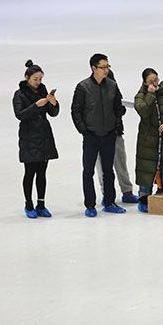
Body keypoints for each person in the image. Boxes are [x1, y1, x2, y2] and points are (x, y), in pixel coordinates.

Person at [71, 53, 126, 217]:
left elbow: (118, 108)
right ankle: (90, 205)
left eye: (108, 66)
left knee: (108, 170)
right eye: (103, 67)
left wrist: (115, 125)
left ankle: (109, 202)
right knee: (88, 171)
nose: (106, 70)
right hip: (91, 136)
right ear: (93, 68)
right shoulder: (83, 87)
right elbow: (76, 111)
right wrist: (84, 130)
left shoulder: (112, 85)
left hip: (109, 134)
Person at [12, 60, 59, 219]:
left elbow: (53, 113)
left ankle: (41, 204)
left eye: (40, 79)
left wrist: (54, 103)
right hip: (29, 138)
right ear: (27, 78)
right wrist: (36, 106)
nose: (38, 82)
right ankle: (28, 204)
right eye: (35, 79)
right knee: (29, 172)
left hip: (44, 136)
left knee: (42, 173)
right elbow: (20, 114)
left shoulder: (43, 91)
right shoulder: (19, 94)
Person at [134, 68, 163, 213]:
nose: (155, 83)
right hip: (147, 142)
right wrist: (150, 95)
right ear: (145, 83)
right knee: (146, 168)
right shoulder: (140, 96)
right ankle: (143, 196)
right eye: (151, 81)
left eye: (156, 80)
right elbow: (143, 111)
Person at [94, 69, 137, 204]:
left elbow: (120, 108)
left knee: (120, 163)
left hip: (115, 132)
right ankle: (106, 194)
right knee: (101, 166)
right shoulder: (91, 88)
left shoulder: (113, 86)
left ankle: (127, 191)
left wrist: (118, 109)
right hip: (98, 134)